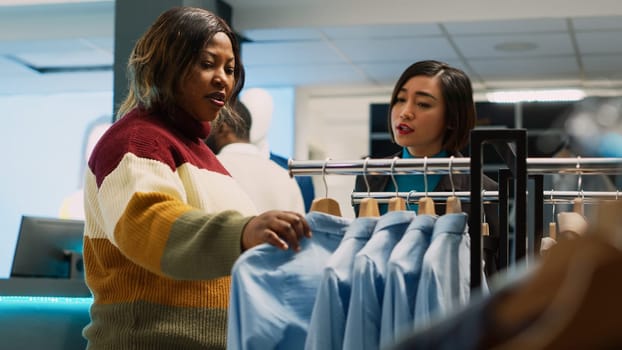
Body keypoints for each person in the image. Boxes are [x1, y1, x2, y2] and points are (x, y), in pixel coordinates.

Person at [81, 7, 310, 349]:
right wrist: (243, 231)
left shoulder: (198, 153)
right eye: (207, 64)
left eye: (230, 69)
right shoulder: (137, 141)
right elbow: (152, 225)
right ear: (167, 64)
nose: (223, 79)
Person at [353, 60, 499, 276]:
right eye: (400, 100)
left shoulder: (481, 189)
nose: (405, 112)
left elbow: (489, 274)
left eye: (422, 104)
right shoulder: (371, 176)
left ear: (451, 118)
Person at [205, 100, 305, 214]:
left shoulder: (210, 170)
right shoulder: (285, 176)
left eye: (208, 126)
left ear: (222, 128)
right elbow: (300, 228)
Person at [240, 87, 316, 212]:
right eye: (248, 114)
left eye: (261, 113)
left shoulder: (298, 174)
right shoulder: (223, 164)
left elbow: (306, 224)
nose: (253, 121)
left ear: (270, 117)